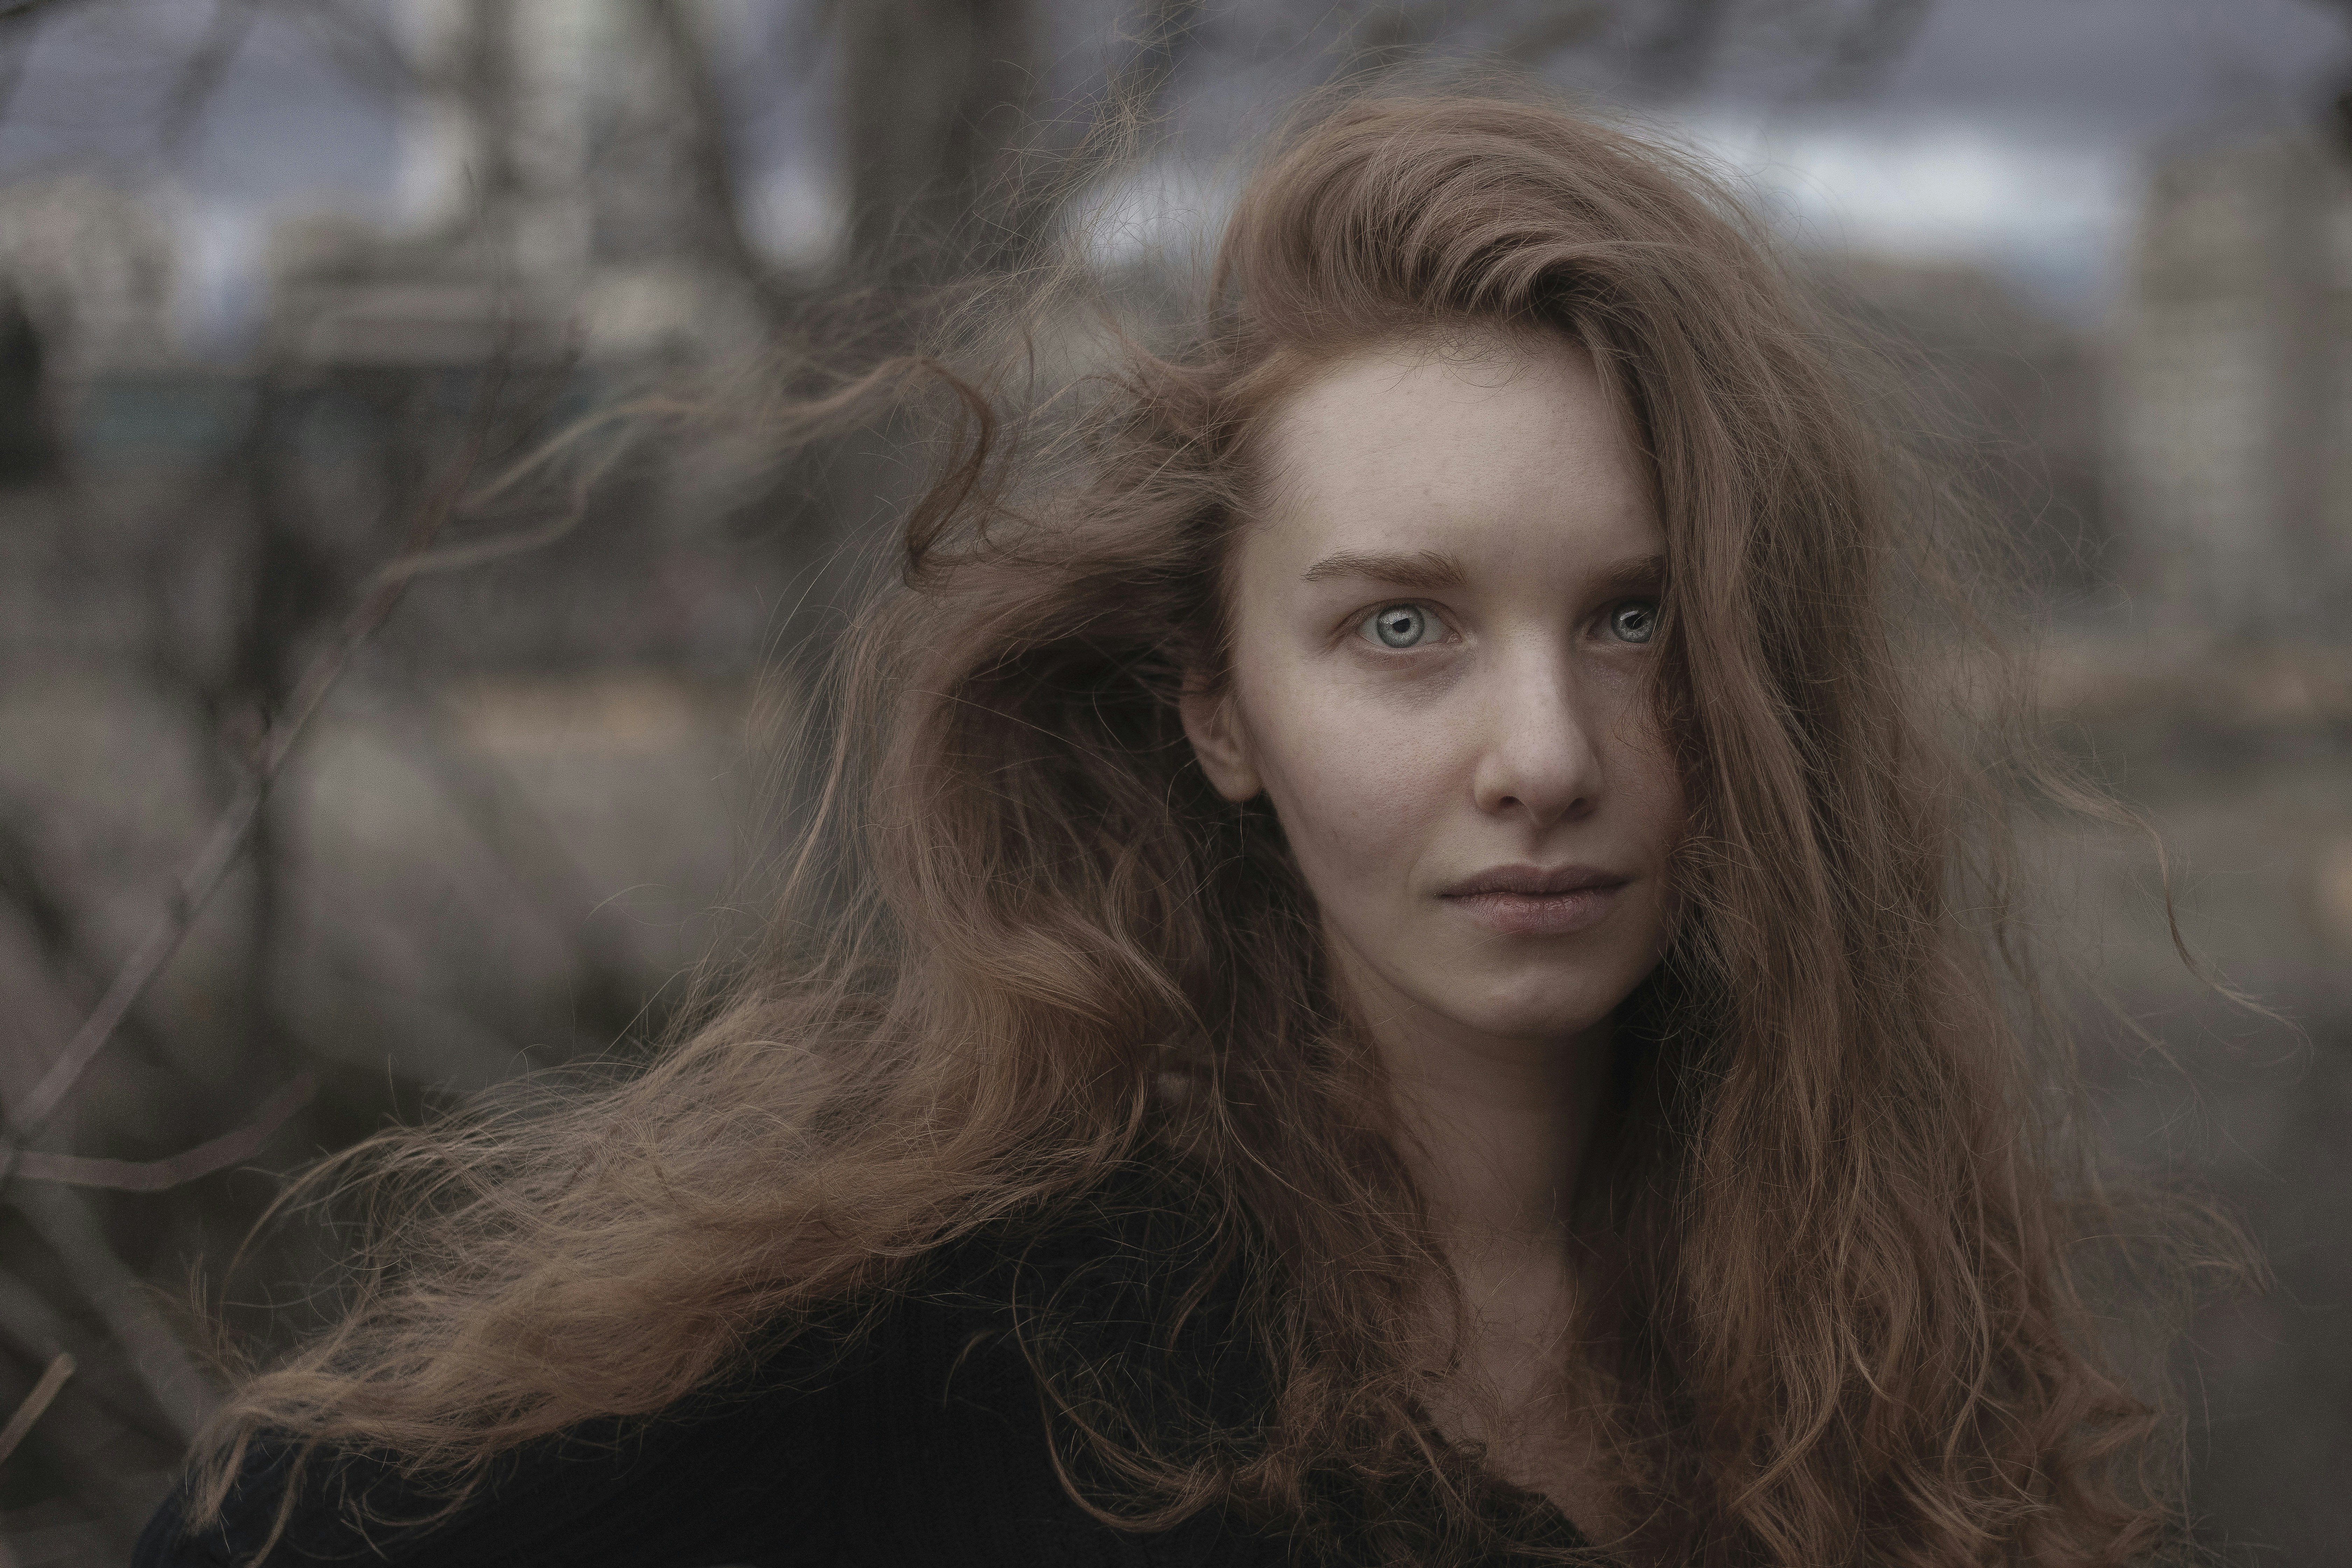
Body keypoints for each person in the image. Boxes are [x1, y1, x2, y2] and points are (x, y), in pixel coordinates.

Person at [135, 91, 2211, 1568]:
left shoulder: (1871, 1328)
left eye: (1635, 622)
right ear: (1220, 708)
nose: (1544, 755)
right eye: (1402, 628)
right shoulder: (972, 1351)